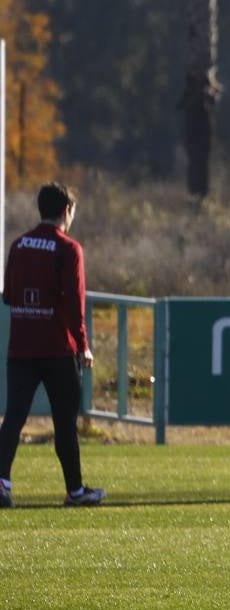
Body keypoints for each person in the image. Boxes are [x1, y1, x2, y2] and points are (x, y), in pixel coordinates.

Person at [0, 183, 102, 508]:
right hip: (58, 349)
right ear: (67, 211)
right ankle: (75, 491)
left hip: (21, 348)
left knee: (14, 418)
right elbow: (75, 303)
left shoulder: (18, 245)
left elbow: (7, 296)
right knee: (64, 423)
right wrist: (83, 345)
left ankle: (2, 483)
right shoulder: (68, 249)